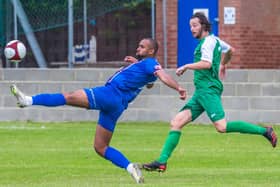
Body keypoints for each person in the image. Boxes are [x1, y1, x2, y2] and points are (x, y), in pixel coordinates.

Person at [10, 38, 187, 183]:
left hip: (109, 94)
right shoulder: (144, 65)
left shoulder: (150, 63)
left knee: (68, 96)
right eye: (138, 45)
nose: (137, 47)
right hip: (117, 106)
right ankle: (129, 167)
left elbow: (163, 75)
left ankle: (28, 100)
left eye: (142, 46)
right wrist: (136, 65)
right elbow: (148, 83)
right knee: (100, 147)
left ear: (150, 51)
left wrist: (178, 88)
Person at [142, 12, 277, 172]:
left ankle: (265, 131)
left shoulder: (207, 43)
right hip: (202, 91)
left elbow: (206, 63)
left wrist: (186, 66)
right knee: (176, 122)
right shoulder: (215, 40)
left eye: (194, 26)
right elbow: (230, 50)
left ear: (204, 26)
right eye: (190, 26)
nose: (191, 29)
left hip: (208, 90)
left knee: (222, 126)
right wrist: (223, 65)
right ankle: (162, 161)